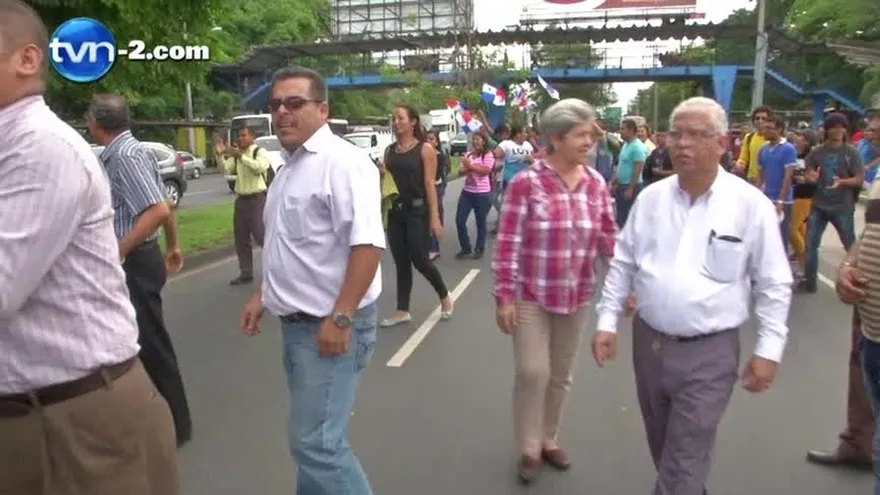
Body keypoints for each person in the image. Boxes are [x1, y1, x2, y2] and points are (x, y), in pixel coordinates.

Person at [0, 1, 178, 493]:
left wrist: (123, 249)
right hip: (35, 415)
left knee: (158, 345)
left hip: (73, 420)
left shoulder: (42, 147)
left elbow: (158, 207)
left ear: (27, 60)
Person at [592, 97, 793, 495]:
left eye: (696, 135)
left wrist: (769, 349)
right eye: (676, 134)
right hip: (649, 345)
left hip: (710, 353)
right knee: (664, 443)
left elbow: (774, 283)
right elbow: (624, 263)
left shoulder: (750, 205)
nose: (682, 143)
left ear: (721, 143)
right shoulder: (651, 199)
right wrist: (606, 321)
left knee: (685, 453)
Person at [238, 67, 384, 494]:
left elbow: (367, 245)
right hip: (298, 328)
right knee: (313, 446)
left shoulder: (343, 163)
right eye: (276, 105)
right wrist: (262, 294)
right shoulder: (288, 168)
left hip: (329, 327)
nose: (282, 112)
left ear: (322, 109)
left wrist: (341, 317)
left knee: (317, 444)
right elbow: (289, 247)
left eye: (294, 103)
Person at [493, 99, 616, 484]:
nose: (589, 143)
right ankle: (529, 448)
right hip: (531, 294)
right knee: (533, 372)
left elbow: (609, 238)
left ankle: (549, 438)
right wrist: (504, 296)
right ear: (557, 138)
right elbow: (508, 243)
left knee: (562, 374)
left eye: (591, 135)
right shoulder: (526, 183)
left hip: (576, 295)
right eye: (581, 135)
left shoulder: (596, 183)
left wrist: (626, 282)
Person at [86, 93, 193, 447]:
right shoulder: (135, 151)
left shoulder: (126, 155)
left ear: (94, 122)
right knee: (139, 341)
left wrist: (116, 252)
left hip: (134, 261)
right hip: (142, 257)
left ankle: (175, 425)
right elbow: (163, 205)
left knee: (149, 344)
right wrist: (173, 245)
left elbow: (157, 210)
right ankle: (155, 420)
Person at [804, 112, 876, 470]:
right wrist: (848, 266)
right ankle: (859, 443)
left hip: (842, 207)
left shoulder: (853, 156)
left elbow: (856, 180)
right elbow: (870, 234)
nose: (871, 129)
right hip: (869, 311)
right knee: (862, 371)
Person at [380, 105, 453, 327]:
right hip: (395, 212)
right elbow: (388, 183)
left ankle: (444, 296)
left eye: (400, 118)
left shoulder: (425, 149)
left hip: (417, 212)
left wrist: (435, 219)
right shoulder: (389, 151)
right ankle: (402, 310)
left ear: (412, 122)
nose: (396, 122)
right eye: (393, 118)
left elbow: (430, 184)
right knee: (401, 262)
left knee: (420, 259)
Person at [798, 112, 864, 294]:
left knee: (850, 245)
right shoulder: (817, 151)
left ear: (846, 130)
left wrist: (842, 182)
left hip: (843, 206)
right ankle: (809, 282)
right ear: (827, 130)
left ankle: (861, 279)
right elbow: (808, 170)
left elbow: (859, 179)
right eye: (834, 127)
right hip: (819, 205)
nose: (838, 130)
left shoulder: (851, 152)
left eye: (841, 127)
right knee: (810, 244)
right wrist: (810, 176)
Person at [218, 126, 272, 285]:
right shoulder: (237, 155)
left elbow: (260, 167)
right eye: (238, 136)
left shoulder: (259, 152)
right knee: (241, 238)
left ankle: (276, 269)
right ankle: (246, 272)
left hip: (257, 199)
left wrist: (241, 156)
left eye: (243, 135)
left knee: (261, 236)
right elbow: (225, 169)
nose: (240, 139)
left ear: (252, 137)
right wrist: (220, 154)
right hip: (241, 200)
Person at [757, 115, 797, 251]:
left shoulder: (788, 149)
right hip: (766, 199)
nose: (765, 131)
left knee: (781, 237)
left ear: (779, 129)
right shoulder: (763, 149)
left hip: (782, 201)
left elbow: (787, 176)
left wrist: (781, 200)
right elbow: (760, 175)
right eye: (764, 128)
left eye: (769, 128)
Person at [455, 131, 495, 259]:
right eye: (474, 139)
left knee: (480, 222)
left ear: (483, 141)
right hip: (467, 192)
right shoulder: (468, 154)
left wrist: (470, 166)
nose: (475, 142)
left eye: (478, 139)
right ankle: (465, 247)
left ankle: (479, 248)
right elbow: (460, 172)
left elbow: (486, 171)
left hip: (482, 193)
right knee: (460, 220)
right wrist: (466, 168)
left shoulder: (488, 155)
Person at [790, 128, 818, 276]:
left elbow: (817, 177)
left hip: (805, 196)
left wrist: (806, 180)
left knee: (791, 229)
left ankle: (804, 262)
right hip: (794, 194)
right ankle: (805, 263)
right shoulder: (795, 154)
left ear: (807, 141)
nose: (796, 137)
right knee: (801, 230)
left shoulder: (812, 157)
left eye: (800, 135)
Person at [613, 117, 648, 228]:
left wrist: (631, 188)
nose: (620, 131)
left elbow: (638, 168)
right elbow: (622, 165)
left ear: (631, 130)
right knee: (620, 216)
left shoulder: (637, 147)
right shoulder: (626, 145)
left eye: (622, 129)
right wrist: (615, 180)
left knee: (628, 217)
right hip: (622, 185)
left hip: (631, 186)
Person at [735, 105, 773, 186]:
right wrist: (740, 163)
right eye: (757, 118)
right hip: (751, 180)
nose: (760, 121)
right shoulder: (749, 137)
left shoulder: (774, 139)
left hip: (768, 182)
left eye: (763, 118)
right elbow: (743, 158)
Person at [426, 129, 449, 260]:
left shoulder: (439, 156)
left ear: (436, 142)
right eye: (427, 139)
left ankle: (434, 248)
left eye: (432, 139)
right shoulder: (422, 154)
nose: (429, 142)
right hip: (425, 188)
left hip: (436, 187)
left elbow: (436, 176)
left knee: (433, 215)